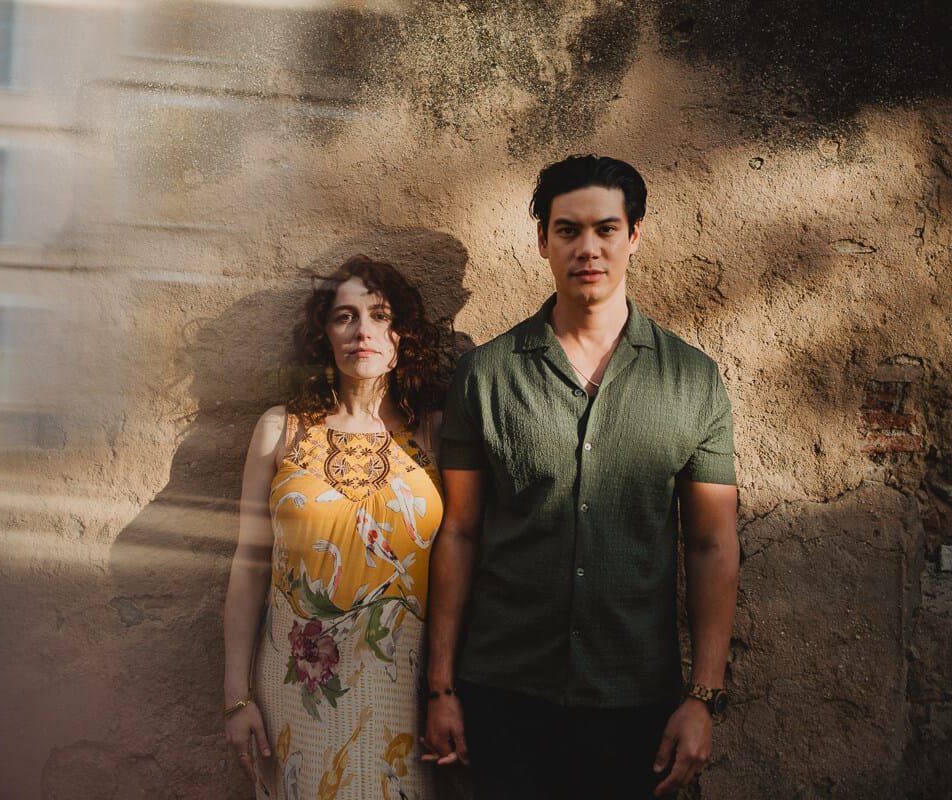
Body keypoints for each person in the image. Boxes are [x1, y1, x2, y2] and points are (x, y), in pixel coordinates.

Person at [422, 155, 740, 799]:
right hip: (503, 690)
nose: (588, 248)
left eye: (606, 229)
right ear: (543, 241)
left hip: (634, 701)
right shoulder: (486, 375)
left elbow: (712, 544)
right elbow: (458, 531)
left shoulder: (691, 379)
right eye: (568, 230)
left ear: (635, 235)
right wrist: (442, 686)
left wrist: (702, 697)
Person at [223, 255, 449, 799]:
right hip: (295, 685)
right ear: (324, 334)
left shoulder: (435, 433)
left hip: (402, 689)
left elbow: (461, 559)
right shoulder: (281, 431)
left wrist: (447, 690)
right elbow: (249, 565)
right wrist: (236, 696)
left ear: (402, 335)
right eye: (344, 316)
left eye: (379, 314)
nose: (362, 330)